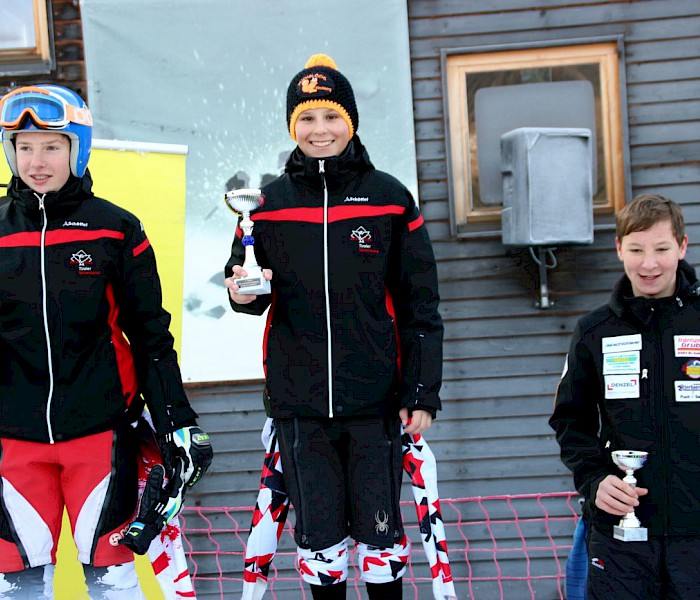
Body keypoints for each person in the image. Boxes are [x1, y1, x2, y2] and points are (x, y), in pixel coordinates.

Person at [224, 54, 444, 599]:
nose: (319, 131)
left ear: (350, 121)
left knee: (380, 546)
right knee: (320, 550)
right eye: (306, 119)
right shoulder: (265, 206)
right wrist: (240, 291)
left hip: (377, 403)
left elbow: (422, 306)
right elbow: (251, 297)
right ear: (291, 126)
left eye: (330, 117)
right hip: (300, 410)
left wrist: (423, 391)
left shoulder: (389, 198)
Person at [0, 84, 213, 599]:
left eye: (52, 145)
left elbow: (150, 337)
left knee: (110, 579)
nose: (37, 160)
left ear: (78, 148)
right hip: (13, 441)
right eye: (22, 146)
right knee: (18, 584)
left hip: (100, 435)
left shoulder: (115, 229)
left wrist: (176, 421)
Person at [549, 193, 700, 599]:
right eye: (636, 250)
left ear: (683, 247)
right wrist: (595, 480)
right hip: (621, 537)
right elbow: (570, 421)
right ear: (619, 249)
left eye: (662, 249)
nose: (649, 264)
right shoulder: (595, 331)